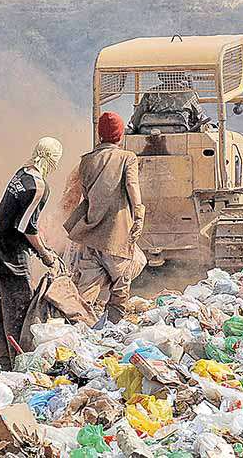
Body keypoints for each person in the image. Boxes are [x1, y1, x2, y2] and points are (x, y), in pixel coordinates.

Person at [0, 137, 63, 370]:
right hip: (12, 258)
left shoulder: (22, 174)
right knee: (19, 313)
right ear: (54, 160)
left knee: (2, 313)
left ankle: (6, 362)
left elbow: (24, 221)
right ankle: (21, 366)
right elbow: (26, 228)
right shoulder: (38, 186)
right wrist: (46, 255)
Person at [64, 112, 146, 326]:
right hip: (116, 235)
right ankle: (112, 325)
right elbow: (132, 186)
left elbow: (84, 194)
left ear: (100, 135)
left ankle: (78, 325)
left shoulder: (86, 161)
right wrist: (138, 215)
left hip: (90, 234)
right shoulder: (128, 158)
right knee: (122, 279)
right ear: (119, 135)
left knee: (87, 285)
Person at [129, 72, 210, 133]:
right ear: (180, 76)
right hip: (182, 134)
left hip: (151, 135)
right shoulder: (188, 93)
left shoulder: (150, 93)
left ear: (161, 76)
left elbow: (136, 119)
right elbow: (200, 117)